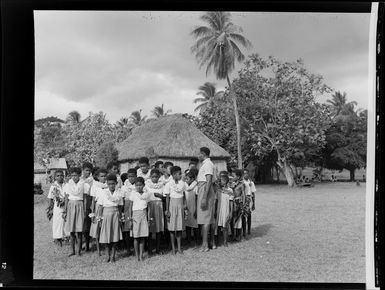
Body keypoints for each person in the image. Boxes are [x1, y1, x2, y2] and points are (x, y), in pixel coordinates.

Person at [63, 167, 90, 256]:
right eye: (72, 175)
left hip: (80, 206)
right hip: (71, 205)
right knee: (71, 231)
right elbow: (66, 198)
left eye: (76, 175)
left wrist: (85, 210)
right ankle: (72, 250)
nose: (74, 177)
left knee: (79, 230)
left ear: (79, 175)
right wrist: (65, 210)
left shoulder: (84, 185)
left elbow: (85, 198)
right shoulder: (67, 185)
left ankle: (78, 251)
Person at [99, 174, 124, 263]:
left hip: (115, 214)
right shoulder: (103, 192)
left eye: (113, 184)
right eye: (109, 184)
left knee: (114, 236)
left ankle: (113, 255)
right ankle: (107, 255)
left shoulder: (119, 192)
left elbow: (120, 206)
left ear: (116, 183)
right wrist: (100, 218)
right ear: (107, 184)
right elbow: (100, 206)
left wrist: (120, 218)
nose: (111, 186)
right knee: (106, 236)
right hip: (106, 214)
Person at [196, 147, 217, 252]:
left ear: (203, 154)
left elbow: (208, 181)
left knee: (206, 219)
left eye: (199, 154)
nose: (198, 155)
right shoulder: (206, 164)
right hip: (203, 189)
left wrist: (204, 197)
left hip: (205, 191)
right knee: (206, 218)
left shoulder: (208, 164)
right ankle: (208, 243)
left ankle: (205, 245)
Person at [164, 166, 187, 255]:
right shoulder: (168, 184)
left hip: (180, 206)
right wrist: (167, 210)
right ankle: (173, 248)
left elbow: (184, 195)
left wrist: (185, 206)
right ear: (173, 175)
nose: (181, 175)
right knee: (172, 229)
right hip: (172, 207)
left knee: (179, 228)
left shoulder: (182, 184)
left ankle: (179, 247)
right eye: (179, 173)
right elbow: (167, 198)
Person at [129, 177, 152, 261]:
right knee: (136, 237)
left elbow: (149, 208)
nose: (138, 187)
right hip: (135, 216)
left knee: (142, 236)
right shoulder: (133, 194)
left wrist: (149, 218)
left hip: (143, 215)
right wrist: (130, 219)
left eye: (140, 185)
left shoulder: (147, 194)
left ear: (143, 185)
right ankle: (137, 255)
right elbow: (130, 207)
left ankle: (141, 255)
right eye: (137, 185)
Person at [145, 169, 165, 255]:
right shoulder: (146, 185)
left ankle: (158, 248)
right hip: (150, 206)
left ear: (159, 177)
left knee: (158, 228)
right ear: (150, 177)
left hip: (159, 207)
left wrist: (159, 195)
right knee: (150, 228)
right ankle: (149, 249)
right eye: (153, 177)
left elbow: (165, 197)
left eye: (156, 177)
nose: (154, 178)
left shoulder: (162, 186)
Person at [89, 168, 108, 256]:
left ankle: (106, 246)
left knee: (105, 227)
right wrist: (92, 213)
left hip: (107, 208)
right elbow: (93, 201)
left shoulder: (109, 185)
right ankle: (98, 249)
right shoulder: (95, 186)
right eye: (101, 176)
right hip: (98, 208)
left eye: (105, 176)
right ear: (97, 177)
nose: (103, 178)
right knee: (97, 228)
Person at [47, 170, 67, 246]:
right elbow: (50, 198)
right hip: (57, 206)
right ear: (55, 177)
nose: (60, 177)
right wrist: (50, 209)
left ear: (64, 176)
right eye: (58, 176)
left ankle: (65, 236)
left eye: (61, 175)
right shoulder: (53, 186)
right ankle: (57, 238)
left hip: (66, 205)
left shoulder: (66, 185)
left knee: (65, 221)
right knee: (57, 221)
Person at [121, 168, 137, 256]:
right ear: (127, 177)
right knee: (127, 229)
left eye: (133, 176)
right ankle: (128, 248)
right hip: (127, 207)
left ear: (136, 176)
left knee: (135, 227)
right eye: (129, 176)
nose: (131, 178)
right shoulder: (124, 187)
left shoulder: (138, 185)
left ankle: (136, 247)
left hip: (136, 206)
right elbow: (123, 199)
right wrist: (123, 210)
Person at [217, 174, 234, 247]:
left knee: (225, 226)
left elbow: (231, 202)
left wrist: (230, 212)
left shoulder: (230, 190)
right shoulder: (218, 189)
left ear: (225, 181)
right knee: (218, 226)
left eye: (221, 180)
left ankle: (225, 241)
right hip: (219, 209)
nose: (220, 182)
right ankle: (218, 240)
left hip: (226, 209)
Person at [81, 162, 94, 252]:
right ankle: (80, 243)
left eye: (89, 171)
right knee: (80, 223)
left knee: (87, 223)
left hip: (88, 201)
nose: (88, 172)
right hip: (80, 200)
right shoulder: (80, 179)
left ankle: (87, 244)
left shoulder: (92, 180)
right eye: (86, 170)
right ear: (83, 170)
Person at [184, 170, 199, 248]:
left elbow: (197, 198)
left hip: (194, 207)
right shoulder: (184, 186)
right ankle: (189, 240)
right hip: (187, 207)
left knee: (195, 225)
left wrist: (196, 209)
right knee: (188, 225)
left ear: (193, 179)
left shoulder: (196, 187)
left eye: (187, 179)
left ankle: (197, 241)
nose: (186, 180)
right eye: (185, 178)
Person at [231, 169, 246, 242]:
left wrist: (243, 204)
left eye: (233, 176)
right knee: (233, 220)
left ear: (238, 176)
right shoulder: (232, 184)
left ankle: (238, 236)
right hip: (232, 203)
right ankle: (233, 235)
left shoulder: (241, 184)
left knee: (238, 221)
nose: (232, 177)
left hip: (238, 203)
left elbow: (243, 195)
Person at [243, 169, 256, 236]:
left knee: (249, 215)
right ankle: (244, 231)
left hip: (249, 200)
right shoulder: (241, 182)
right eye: (244, 173)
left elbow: (253, 193)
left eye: (247, 173)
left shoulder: (251, 183)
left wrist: (254, 203)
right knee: (243, 217)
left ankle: (249, 230)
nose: (246, 175)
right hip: (243, 200)